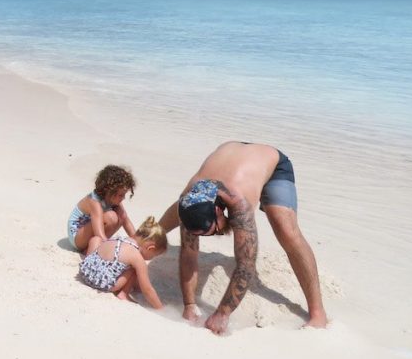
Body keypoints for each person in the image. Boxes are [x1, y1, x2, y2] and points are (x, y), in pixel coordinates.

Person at [159, 141, 328, 334]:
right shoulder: (188, 200)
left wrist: (222, 314)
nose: (217, 235)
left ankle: (318, 312)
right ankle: (149, 234)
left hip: (272, 164)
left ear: (217, 210)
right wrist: (189, 305)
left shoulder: (239, 205)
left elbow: (245, 265)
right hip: (232, 156)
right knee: (182, 231)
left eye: (215, 230)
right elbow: (189, 254)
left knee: (287, 231)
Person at [78, 216, 168, 307]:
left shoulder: (119, 239)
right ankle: (124, 294)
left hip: (86, 272)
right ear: (150, 248)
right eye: (154, 255)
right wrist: (160, 308)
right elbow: (147, 290)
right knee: (135, 269)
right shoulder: (136, 256)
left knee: (96, 240)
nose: (152, 258)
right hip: (102, 283)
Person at [67, 164, 137, 254]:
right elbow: (98, 233)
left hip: (90, 231)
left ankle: (95, 246)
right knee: (111, 217)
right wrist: (110, 250)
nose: (123, 198)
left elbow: (126, 221)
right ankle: (96, 248)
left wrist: (137, 242)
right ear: (109, 191)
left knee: (121, 216)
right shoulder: (94, 202)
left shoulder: (113, 200)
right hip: (77, 236)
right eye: (121, 195)